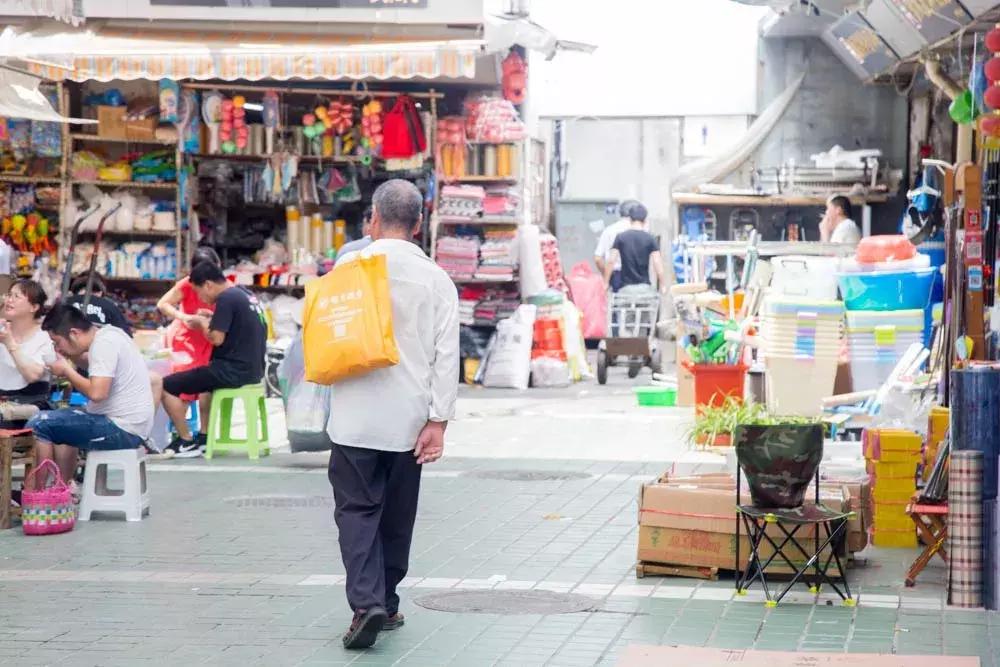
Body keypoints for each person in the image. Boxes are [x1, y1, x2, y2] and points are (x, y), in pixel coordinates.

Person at [327, 179, 459, 650]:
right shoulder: (437, 279)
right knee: (397, 515)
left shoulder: (348, 265)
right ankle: (388, 598)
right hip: (409, 420)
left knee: (358, 512)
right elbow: (447, 357)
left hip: (354, 416)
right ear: (420, 224)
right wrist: (438, 421)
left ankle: (367, 605)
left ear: (373, 219)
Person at [28, 305, 154, 485]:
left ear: (73, 333)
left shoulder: (103, 345)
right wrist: (68, 357)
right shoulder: (110, 334)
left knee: (39, 423)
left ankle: (40, 495)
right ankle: (62, 488)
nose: (57, 347)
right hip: (131, 427)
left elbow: (97, 393)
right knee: (64, 422)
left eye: (57, 342)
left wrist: (67, 371)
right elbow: (97, 367)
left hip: (120, 429)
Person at [159, 262, 267, 458]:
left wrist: (201, 322)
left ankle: (185, 441)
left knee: (165, 385)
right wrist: (211, 316)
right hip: (254, 369)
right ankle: (203, 437)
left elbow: (217, 338)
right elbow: (237, 325)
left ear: (208, 284)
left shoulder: (225, 299)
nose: (201, 298)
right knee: (204, 385)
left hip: (232, 371)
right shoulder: (243, 294)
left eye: (199, 292)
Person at [156, 247, 223, 448]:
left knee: (206, 389)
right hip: (186, 340)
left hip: (209, 340)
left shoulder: (221, 286)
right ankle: (184, 436)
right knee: (181, 389)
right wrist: (183, 317)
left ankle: (204, 435)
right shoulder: (187, 284)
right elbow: (163, 304)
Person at [0, 280, 55, 422]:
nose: (9, 300)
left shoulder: (45, 337)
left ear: (34, 307)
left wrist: (9, 343)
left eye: (16, 296)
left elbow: (33, 375)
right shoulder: (2, 328)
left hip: (29, 405)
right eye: (8, 295)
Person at [603, 204, 665, 292]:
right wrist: (662, 285)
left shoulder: (621, 237)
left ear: (630, 219)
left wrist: (605, 283)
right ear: (645, 220)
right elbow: (657, 262)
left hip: (625, 288)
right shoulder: (650, 238)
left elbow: (611, 261)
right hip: (645, 288)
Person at [594, 199, 642, 291]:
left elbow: (598, 258)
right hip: (638, 275)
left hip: (617, 276)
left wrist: (607, 275)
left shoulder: (609, 230)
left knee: (618, 302)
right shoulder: (642, 231)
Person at [66, 274, 133, 336]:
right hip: (100, 345)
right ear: (100, 292)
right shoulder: (109, 306)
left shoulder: (65, 302)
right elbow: (126, 336)